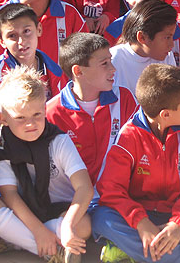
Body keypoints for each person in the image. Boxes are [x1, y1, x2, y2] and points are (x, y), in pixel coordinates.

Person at [92, 63, 180, 263]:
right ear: (166, 114)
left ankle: (134, 250)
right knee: (101, 219)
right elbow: (111, 189)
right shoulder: (128, 136)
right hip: (140, 216)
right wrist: (141, 223)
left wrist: (178, 225)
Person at [0, 65, 93, 262]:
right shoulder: (0, 144)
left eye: (37, 115)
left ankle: (12, 240)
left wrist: (66, 226)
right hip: (22, 211)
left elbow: (85, 188)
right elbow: (10, 195)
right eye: (20, 118)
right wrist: (39, 231)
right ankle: (53, 251)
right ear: (3, 119)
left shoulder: (58, 140)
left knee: (83, 225)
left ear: (44, 110)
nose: (30, 124)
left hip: (58, 209)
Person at [46, 32, 137, 184]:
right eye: (104, 63)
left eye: (111, 61)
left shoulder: (124, 99)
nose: (113, 69)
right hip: (70, 201)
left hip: (114, 198)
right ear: (78, 71)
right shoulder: (51, 112)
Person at [0, 3, 66, 98]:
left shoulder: (54, 70)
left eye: (26, 31)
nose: (21, 41)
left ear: (39, 29)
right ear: (1, 41)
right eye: (12, 36)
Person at [110, 0, 177, 94]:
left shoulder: (167, 56)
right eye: (167, 37)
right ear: (142, 37)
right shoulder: (112, 61)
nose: (172, 45)